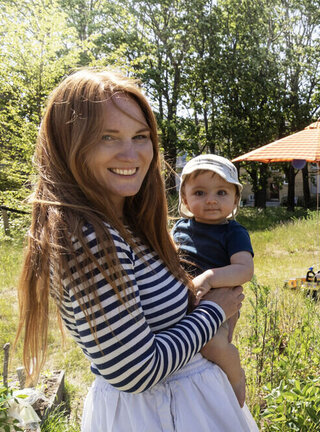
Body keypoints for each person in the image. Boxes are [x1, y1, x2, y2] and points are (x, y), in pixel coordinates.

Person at [16, 69, 257, 431]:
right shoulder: (89, 236)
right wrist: (213, 312)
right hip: (158, 415)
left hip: (182, 407)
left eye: (140, 136)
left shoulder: (125, 222)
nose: (131, 153)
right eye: (107, 137)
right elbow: (136, 371)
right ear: (69, 145)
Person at [171, 154, 254, 407]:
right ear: (184, 198)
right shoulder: (179, 229)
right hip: (188, 302)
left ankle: (235, 375)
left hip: (219, 303)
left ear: (235, 199)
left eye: (221, 192)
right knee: (186, 350)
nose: (210, 200)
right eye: (199, 193)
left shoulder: (233, 232)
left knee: (210, 344)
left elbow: (244, 270)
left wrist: (210, 277)